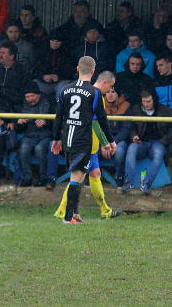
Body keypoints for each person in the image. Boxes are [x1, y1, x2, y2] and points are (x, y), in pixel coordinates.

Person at [51, 57, 116, 224]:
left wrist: (56, 139)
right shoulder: (94, 93)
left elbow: (58, 117)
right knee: (76, 178)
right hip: (83, 141)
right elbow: (102, 119)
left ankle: (75, 214)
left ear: (77, 68)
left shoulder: (64, 90)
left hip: (68, 140)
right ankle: (68, 216)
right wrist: (111, 140)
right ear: (93, 72)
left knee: (78, 177)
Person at [120, 89, 172, 194]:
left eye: (148, 101)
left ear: (154, 100)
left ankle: (146, 185)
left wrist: (164, 140)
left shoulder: (165, 110)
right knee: (131, 148)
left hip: (158, 142)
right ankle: (128, 183)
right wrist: (134, 136)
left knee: (159, 154)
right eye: (144, 101)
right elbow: (131, 126)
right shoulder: (136, 109)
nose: (146, 104)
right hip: (141, 142)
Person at [15, 81, 53, 187]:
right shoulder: (23, 105)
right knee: (24, 149)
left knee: (40, 149)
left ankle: (43, 178)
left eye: (32, 96)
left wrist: (46, 122)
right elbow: (18, 128)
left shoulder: (49, 103)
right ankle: (27, 177)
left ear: (39, 94)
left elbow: (57, 122)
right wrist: (19, 122)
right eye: (27, 97)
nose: (30, 99)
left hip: (45, 135)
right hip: (29, 135)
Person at [0, 42, 29, 108]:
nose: (0, 55)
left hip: (16, 106)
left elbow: (23, 92)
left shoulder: (22, 71)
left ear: (11, 56)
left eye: (3, 53)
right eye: (0, 53)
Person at [35, 30, 73, 99]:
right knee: (34, 86)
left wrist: (59, 77)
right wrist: (43, 76)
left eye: (58, 41)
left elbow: (71, 71)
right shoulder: (41, 52)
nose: (55, 43)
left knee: (63, 89)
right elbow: (34, 69)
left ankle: (60, 109)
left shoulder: (67, 53)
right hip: (43, 82)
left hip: (61, 82)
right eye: (52, 40)